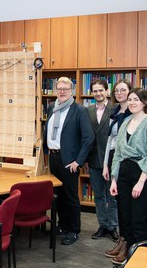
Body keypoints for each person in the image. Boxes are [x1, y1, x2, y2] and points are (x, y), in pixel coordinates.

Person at [109, 88, 147, 265]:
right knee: (125, 218)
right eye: (130, 99)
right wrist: (114, 179)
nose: (132, 102)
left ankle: (141, 259)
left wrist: (141, 182)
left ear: (144, 102)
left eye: (136, 99)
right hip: (123, 173)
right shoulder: (125, 122)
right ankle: (128, 252)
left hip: (143, 175)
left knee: (138, 220)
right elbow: (118, 153)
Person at [44, 77, 94, 245]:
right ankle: (62, 225)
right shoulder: (52, 108)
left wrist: (78, 161)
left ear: (72, 91)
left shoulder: (79, 110)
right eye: (59, 88)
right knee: (57, 196)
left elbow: (88, 138)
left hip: (69, 161)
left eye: (66, 88)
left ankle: (73, 230)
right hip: (53, 158)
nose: (62, 91)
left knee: (71, 196)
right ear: (56, 90)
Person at [85, 79, 118, 241]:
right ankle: (102, 225)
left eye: (101, 90)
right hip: (93, 158)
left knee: (112, 195)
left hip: (111, 158)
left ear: (106, 91)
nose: (98, 93)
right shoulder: (88, 110)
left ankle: (113, 226)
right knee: (98, 195)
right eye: (95, 91)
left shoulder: (116, 109)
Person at [102, 79, 132, 260]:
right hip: (113, 158)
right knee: (119, 203)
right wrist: (106, 164)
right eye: (117, 90)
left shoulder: (132, 113)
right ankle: (121, 240)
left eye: (123, 90)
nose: (119, 93)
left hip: (126, 160)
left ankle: (128, 242)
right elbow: (109, 141)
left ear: (130, 92)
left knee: (127, 205)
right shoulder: (114, 112)